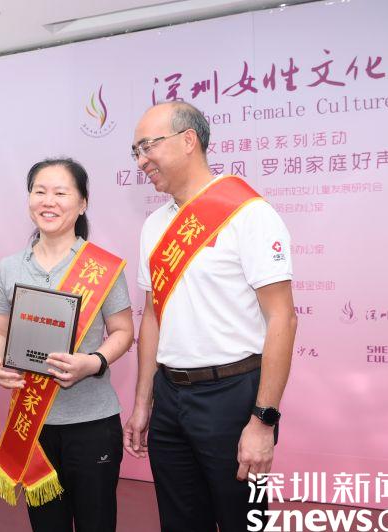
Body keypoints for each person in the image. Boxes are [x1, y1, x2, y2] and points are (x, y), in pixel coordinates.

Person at [122, 101, 298, 532]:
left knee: (243, 522)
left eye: (148, 146)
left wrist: (263, 421)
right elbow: (152, 317)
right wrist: (144, 402)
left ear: (188, 141)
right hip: (170, 397)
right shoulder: (154, 225)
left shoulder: (249, 213)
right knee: (180, 521)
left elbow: (283, 319)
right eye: (136, 151)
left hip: (233, 396)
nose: (141, 161)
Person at [0, 158, 134, 532]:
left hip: (92, 422)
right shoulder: (9, 268)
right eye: (40, 191)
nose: (48, 201)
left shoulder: (101, 267)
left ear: (82, 203)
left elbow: (123, 331)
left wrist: (93, 362)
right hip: (33, 425)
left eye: (61, 193)